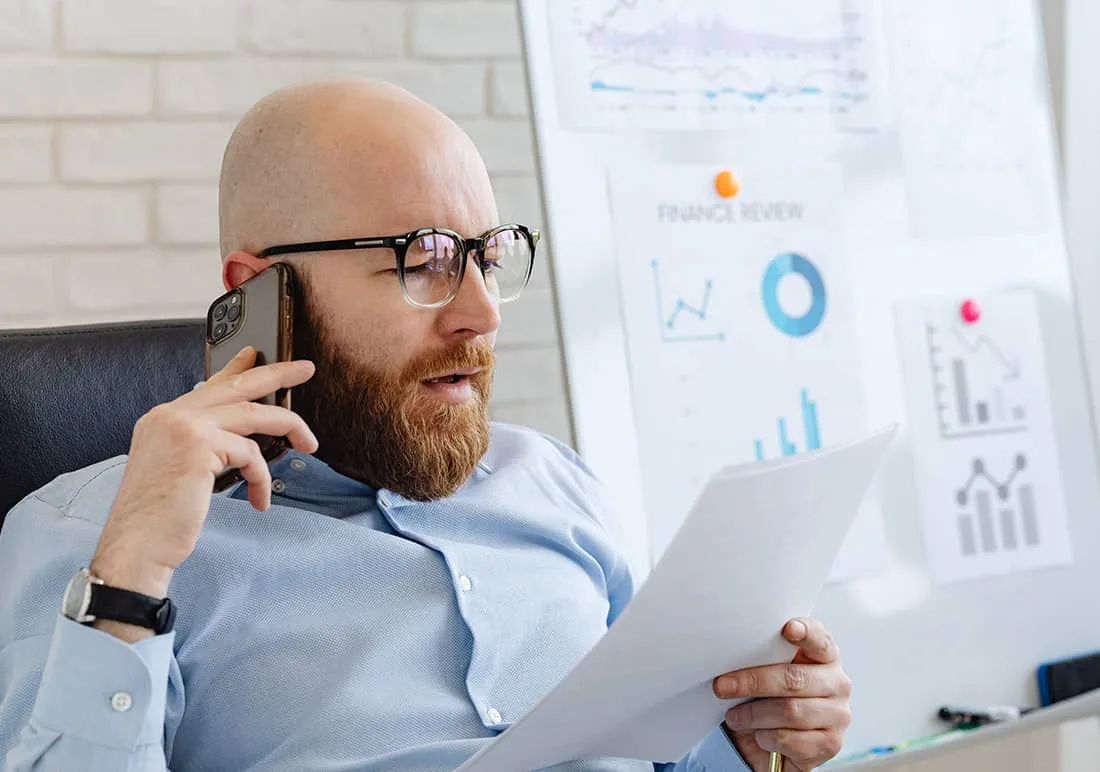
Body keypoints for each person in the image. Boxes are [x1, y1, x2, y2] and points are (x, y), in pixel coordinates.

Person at [0, 80, 851, 772]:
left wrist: (754, 743)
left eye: (488, 256)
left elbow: (668, 751)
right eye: (426, 261)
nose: (482, 312)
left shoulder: (553, 481)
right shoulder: (101, 538)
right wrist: (129, 581)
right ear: (260, 288)